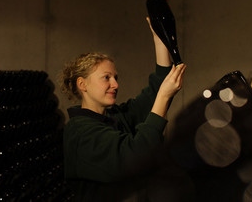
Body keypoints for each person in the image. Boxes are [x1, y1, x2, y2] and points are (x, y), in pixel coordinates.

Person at [60, 17, 186, 201]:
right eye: (106, 78)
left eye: (116, 77)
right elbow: (135, 157)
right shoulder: (81, 133)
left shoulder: (114, 116)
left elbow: (155, 92)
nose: (115, 84)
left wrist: (159, 39)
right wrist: (164, 96)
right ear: (83, 84)